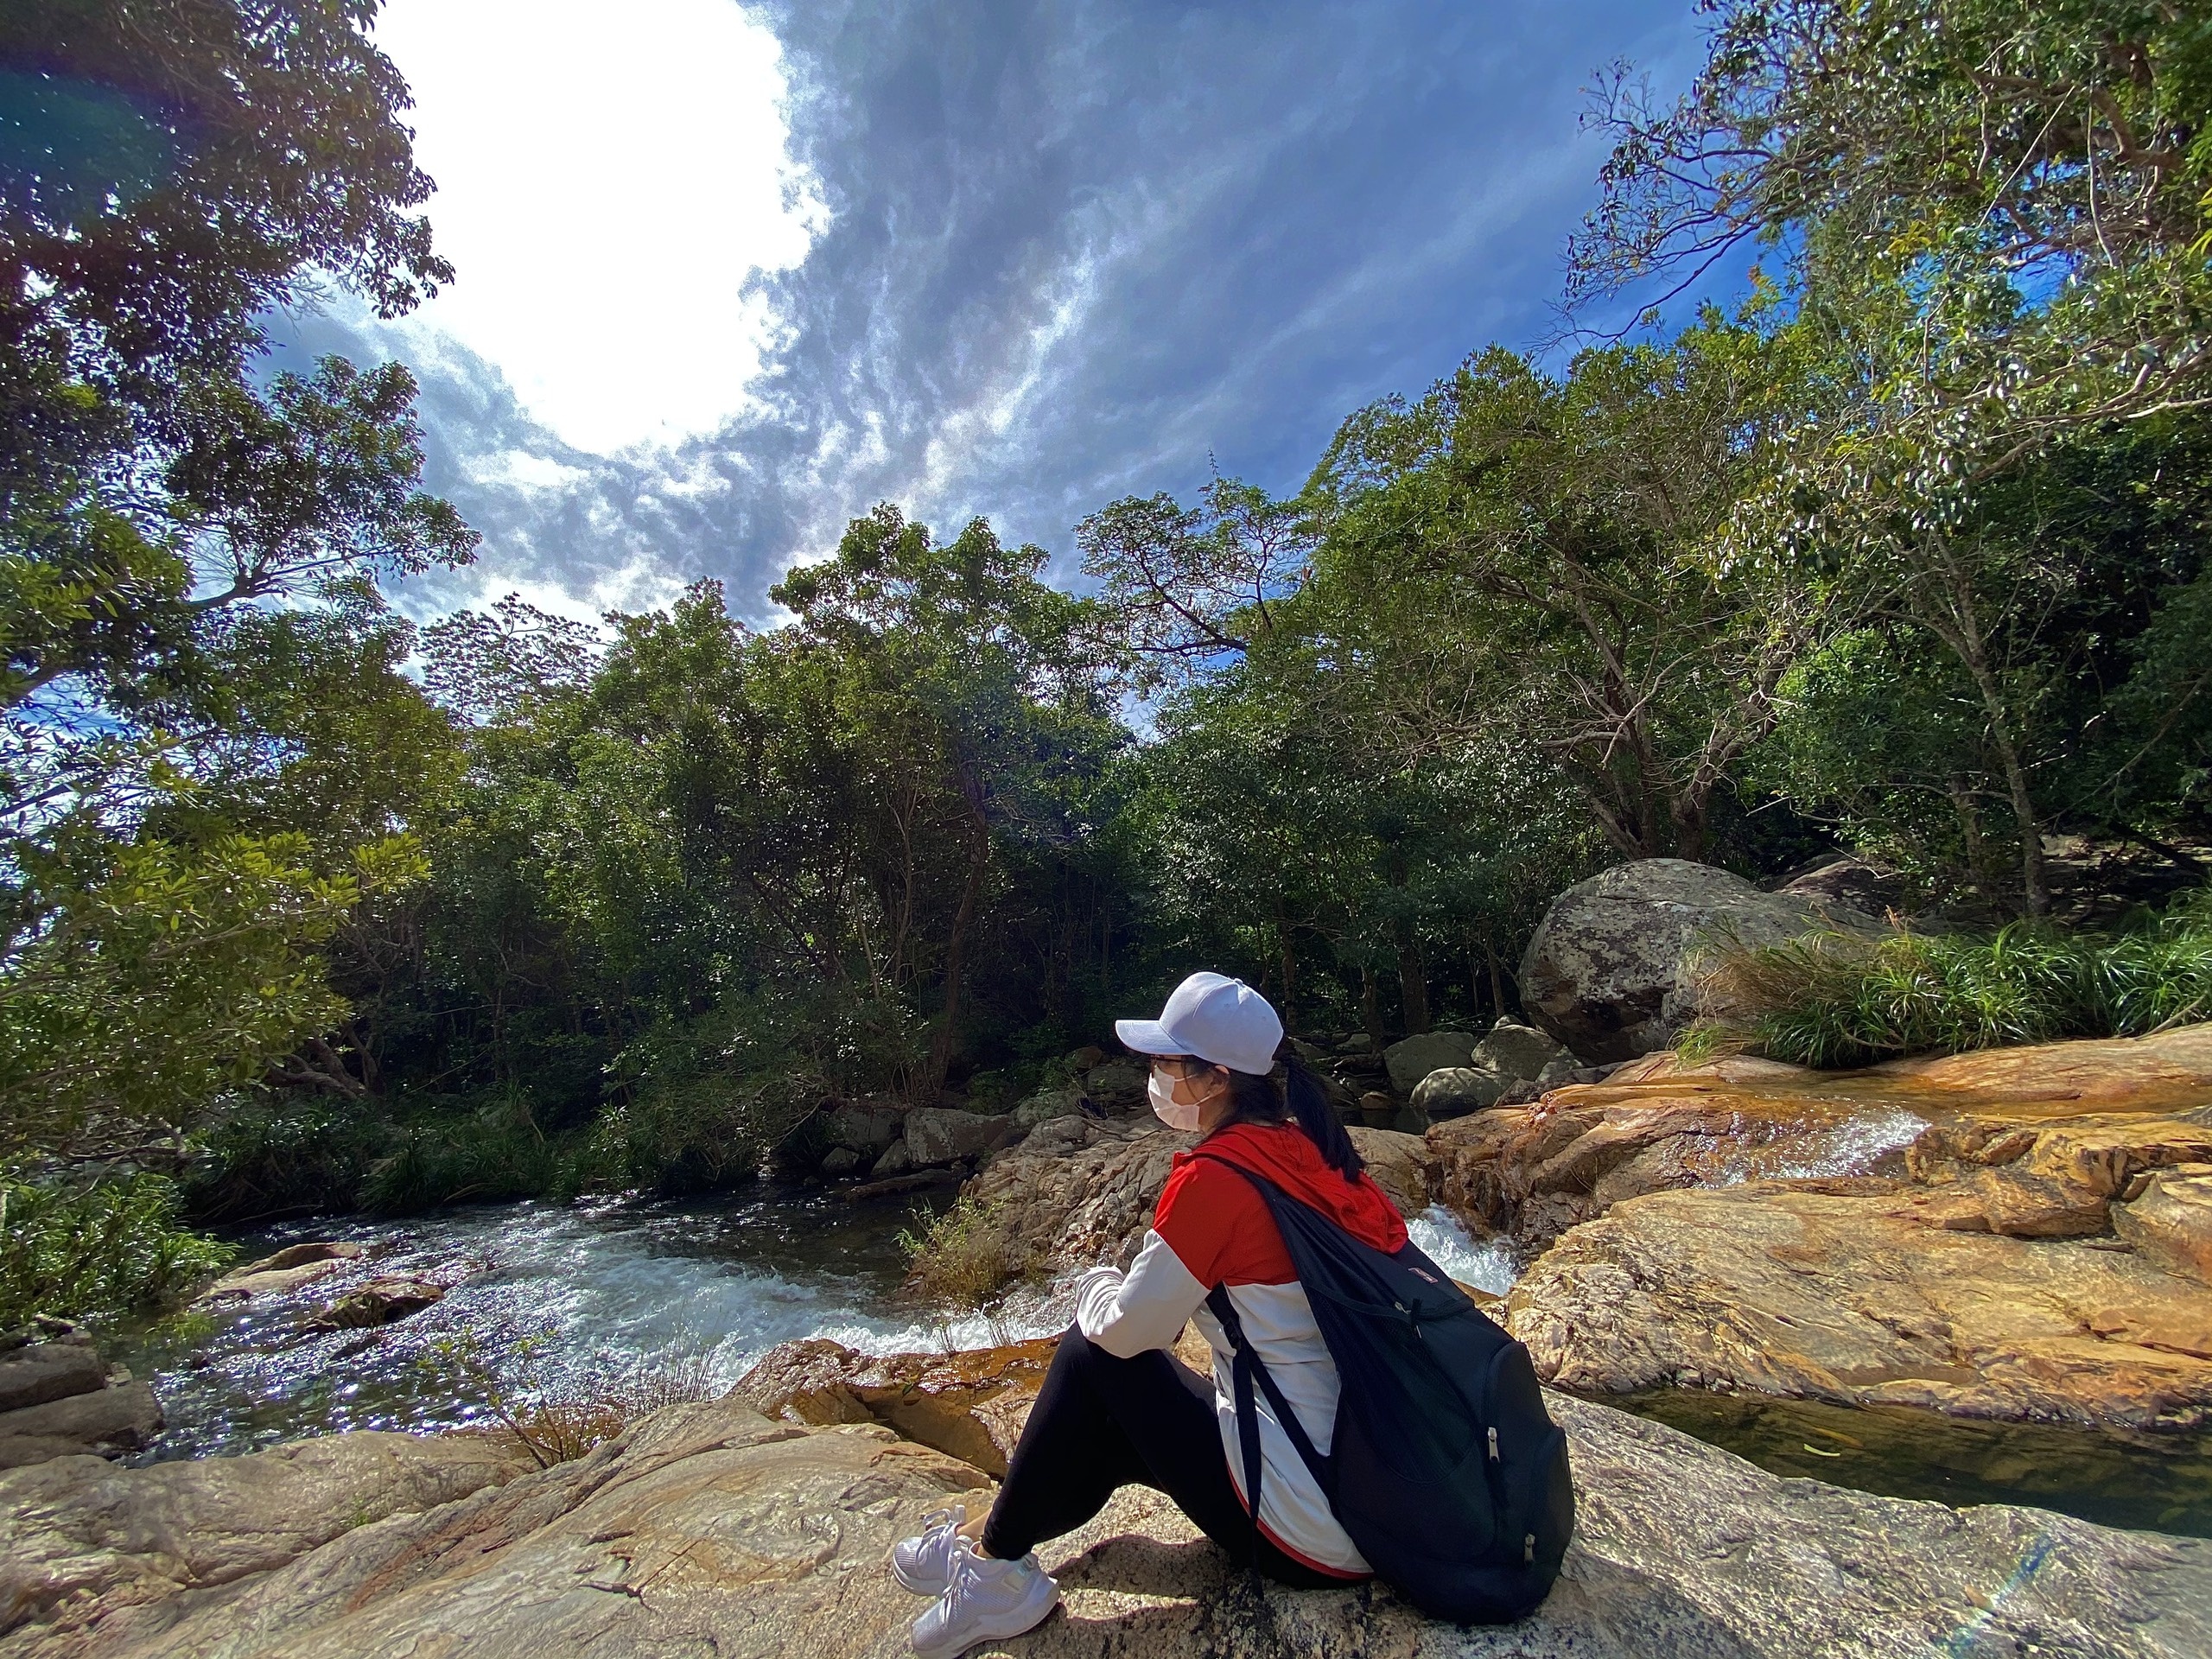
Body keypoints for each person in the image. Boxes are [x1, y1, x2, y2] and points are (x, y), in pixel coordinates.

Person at [891, 971, 1407, 1657]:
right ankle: (988, 1547)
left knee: (1090, 1352)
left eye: (1165, 1062)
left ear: (1216, 1077)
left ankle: (993, 1576)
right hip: (1369, 1487)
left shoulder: (1218, 1179)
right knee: (1102, 1434)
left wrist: (1097, 1282)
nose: (1154, 1075)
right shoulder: (1316, 1152)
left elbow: (1132, 1332)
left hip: (1312, 1531)